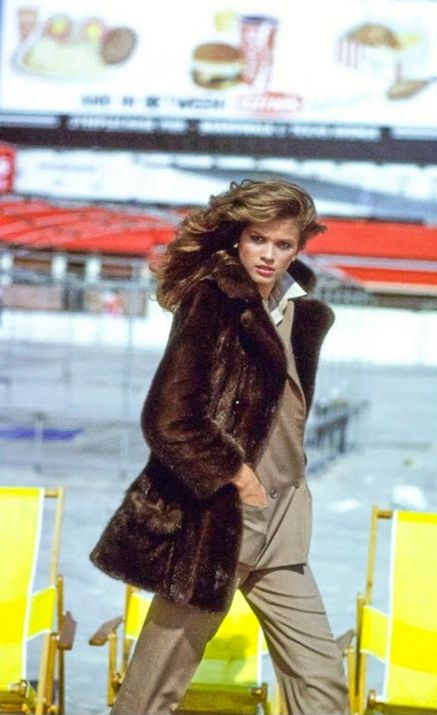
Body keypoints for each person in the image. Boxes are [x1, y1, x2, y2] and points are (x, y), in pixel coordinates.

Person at [90, 179, 349, 715]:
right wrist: (235, 474)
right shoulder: (214, 300)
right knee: (154, 688)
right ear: (238, 238)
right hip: (219, 520)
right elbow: (168, 418)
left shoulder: (299, 312)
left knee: (321, 680)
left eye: (284, 245)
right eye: (259, 240)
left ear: (299, 247)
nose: (270, 255)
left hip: (285, 523)